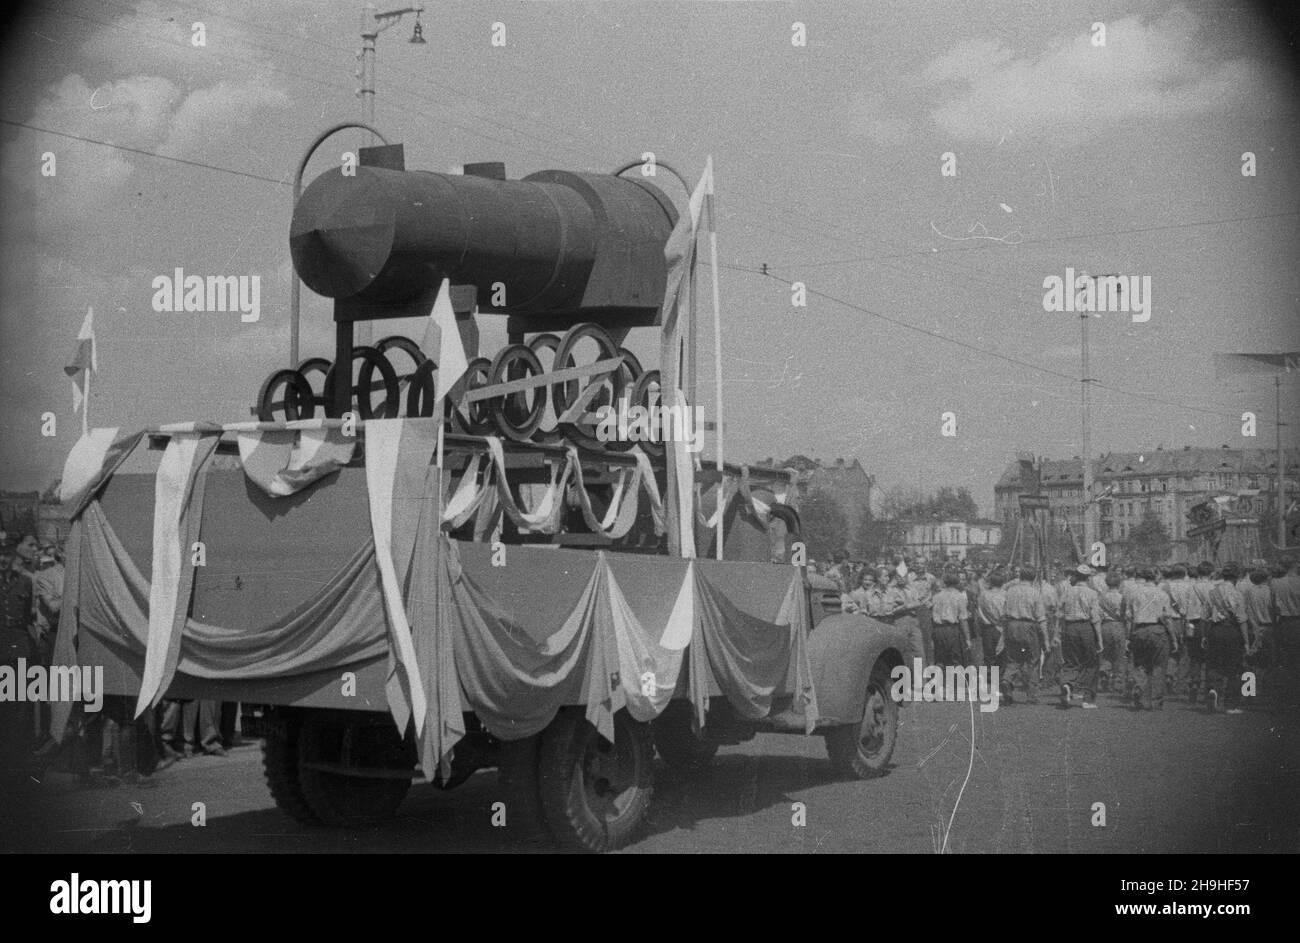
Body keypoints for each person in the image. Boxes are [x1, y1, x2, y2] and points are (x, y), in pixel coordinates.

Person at [1202, 563, 1250, 715]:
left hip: (1215, 631)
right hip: (1232, 631)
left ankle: (1213, 690)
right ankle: (1231, 704)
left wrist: (1204, 635)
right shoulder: (1237, 594)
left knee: (1214, 664)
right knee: (1233, 667)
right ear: (1236, 577)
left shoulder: (1211, 593)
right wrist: (1247, 641)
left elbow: (1204, 617)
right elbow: (1241, 619)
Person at [1126, 567, 1176, 710]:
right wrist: (1173, 637)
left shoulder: (1134, 594)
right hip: (1158, 630)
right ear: (1156, 578)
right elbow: (1167, 618)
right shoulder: (1162, 594)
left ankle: (1139, 690)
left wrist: (1129, 637)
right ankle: (1156, 701)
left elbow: (1129, 618)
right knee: (1159, 666)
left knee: (1140, 664)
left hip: (1139, 630)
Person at [1057, 565, 1102, 709]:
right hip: (1086, 627)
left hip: (1069, 627)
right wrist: (1099, 639)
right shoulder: (1092, 593)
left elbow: (1059, 612)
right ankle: (1088, 698)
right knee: (1091, 662)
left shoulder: (1067, 592)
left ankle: (1067, 684)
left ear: (1075, 576)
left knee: (1071, 661)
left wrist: (1058, 631)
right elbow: (1095, 618)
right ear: (1088, 578)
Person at [1001, 567, 1047, 704]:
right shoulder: (1035, 593)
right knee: (1033, 660)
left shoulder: (1009, 591)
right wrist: (1046, 639)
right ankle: (1032, 695)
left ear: (1020, 576)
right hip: (1029, 626)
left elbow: (1003, 613)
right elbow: (1041, 618)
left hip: (1011, 625)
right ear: (1034, 578)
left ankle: (1007, 680)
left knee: (1013, 659)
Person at [929, 572, 972, 669]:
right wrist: (968, 638)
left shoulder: (936, 596)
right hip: (952, 630)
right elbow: (963, 619)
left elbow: (932, 616)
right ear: (957, 583)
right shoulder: (959, 597)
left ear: (945, 583)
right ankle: (954, 682)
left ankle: (939, 681)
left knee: (940, 660)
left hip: (938, 629)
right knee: (955, 659)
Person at [1097, 571, 1127, 694]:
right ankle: (1118, 681)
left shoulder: (1101, 597)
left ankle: (1104, 670)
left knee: (1106, 653)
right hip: (1118, 625)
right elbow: (1124, 614)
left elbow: (1098, 613)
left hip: (1105, 625)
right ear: (1119, 583)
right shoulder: (1122, 597)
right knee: (1119, 655)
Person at [1241, 567, 1275, 671]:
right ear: (1265, 578)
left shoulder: (1248, 592)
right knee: (1270, 659)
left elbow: (1247, 610)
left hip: (1254, 627)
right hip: (1270, 627)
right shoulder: (1270, 591)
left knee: (1256, 661)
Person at [975, 569, 1008, 671]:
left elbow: (979, 612)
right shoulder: (1005, 594)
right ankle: (1000, 679)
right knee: (1002, 655)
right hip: (1002, 628)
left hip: (987, 628)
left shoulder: (983, 595)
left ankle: (989, 681)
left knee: (988, 656)